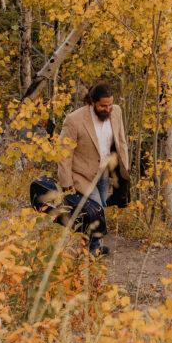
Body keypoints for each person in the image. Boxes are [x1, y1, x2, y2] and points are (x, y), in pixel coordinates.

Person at [57, 81, 130, 256]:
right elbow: (64, 153)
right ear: (92, 101)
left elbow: (121, 141)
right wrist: (66, 181)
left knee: (101, 207)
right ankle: (93, 248)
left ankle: (90, 244)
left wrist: (123, 170)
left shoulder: (117, 112)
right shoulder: (74, 120)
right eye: (103, 105)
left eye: (110, 104)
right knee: (95, 207)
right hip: (82, 174)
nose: (108, 108)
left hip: (105, 171)